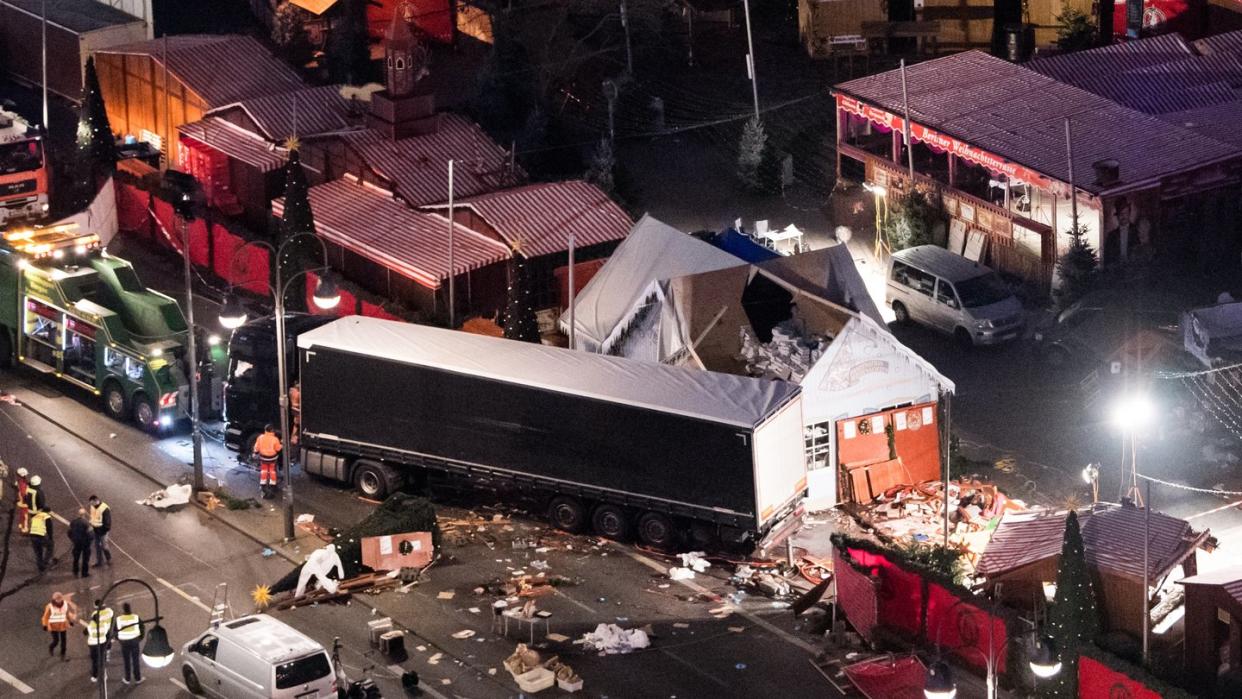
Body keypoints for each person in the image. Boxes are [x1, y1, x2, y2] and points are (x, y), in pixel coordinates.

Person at [115, 602, 144, 685]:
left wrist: (119, 639)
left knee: (126, 661)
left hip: (124, 642)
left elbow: (115, 631)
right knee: (135, 660)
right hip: (134, 641)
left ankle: (127, 678)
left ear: (123, 609)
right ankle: (138, 678)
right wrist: (140, 638)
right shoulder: (135, 617)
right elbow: (142, 628)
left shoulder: (119, 619)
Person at [84, 602, 112, 683]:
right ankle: (104, 675)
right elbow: (106, 631)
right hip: (102, 644)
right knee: (102, 660)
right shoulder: (104, 625)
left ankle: (95, 676)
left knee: (94, 661)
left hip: (93, 645)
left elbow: (85, 632)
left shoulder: (90, 626)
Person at [42, 591, 75, 659]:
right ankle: (51, 647)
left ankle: (63, 654)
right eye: (58, 599)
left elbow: (67, 614)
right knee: (56, 641)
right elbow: (45, 617)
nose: (59, 601)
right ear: (54, 600)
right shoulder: (50, 606)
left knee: (64, 641)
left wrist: (70, 621)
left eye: (60, 599)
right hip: (53, 626)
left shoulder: (65, 604)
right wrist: (45, 625)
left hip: (62, 625)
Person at [253, 425, 282, 497]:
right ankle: (273, 485)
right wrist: (281, 444)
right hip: (272, 458)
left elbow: (256, 447)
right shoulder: (275, 439)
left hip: (263, 458)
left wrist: (255, 452)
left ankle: (263, 485)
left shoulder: (260, 437)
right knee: (272, 471)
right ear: (272, 430)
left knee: (264, 471)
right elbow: (278, 449)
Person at [88, 495, 112, 567]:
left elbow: (107, 524)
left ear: (96, 501)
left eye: (92, 503)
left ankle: (109, 559)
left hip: (102, 532)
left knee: (104, 546)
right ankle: (99, 562)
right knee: (97, 546)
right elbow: (93, 517)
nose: (91, 505)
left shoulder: (104, 509)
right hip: (95, 530)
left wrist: (103, 531)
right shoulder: (92, 507)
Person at [68, 508, 93, 578]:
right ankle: (84, 573)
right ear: (84, 515)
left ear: (78, 514)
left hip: (76, 543)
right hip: (85, 544)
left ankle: (75, 570)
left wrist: (73, 539)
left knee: (76, 557)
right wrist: (90, 541)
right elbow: (90, 534)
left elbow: (69, 532)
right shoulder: (86, 523)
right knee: (85, 559)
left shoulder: (73, 522)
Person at [289, 381, 302, 448]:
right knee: (298, 425)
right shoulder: (298, 393)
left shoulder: (291, 390)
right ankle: (294, 440)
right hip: (297, 410)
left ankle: (292, 438)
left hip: (293, 409)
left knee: (295, 425)